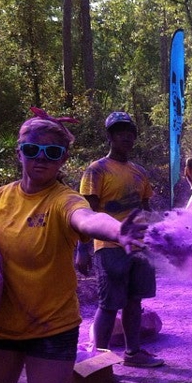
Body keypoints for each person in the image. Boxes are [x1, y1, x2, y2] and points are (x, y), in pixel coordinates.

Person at [0, 107, 150, 383]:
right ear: (19, 152)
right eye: (32, 149)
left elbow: (87, 218)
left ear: (63, 160)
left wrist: (118, 230)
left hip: (52, 329)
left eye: (53, 152)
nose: (41, 158)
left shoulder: (64, 200)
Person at [77, 111, 164, 368]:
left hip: (138, 247)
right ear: (110, 137)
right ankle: (98, 362)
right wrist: (82, 249)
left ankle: (132, 353)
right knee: (109, 304)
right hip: (109, 247)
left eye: (129, 132)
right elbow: (86, 212)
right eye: (119, 132)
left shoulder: (139, 172)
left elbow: (145, 208)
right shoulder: (96, 170)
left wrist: (158, 236)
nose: (125, 136)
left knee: (134, 301)